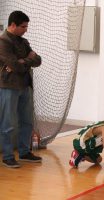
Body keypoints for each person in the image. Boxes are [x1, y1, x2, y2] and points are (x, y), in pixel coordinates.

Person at [0, 11, 42, 168]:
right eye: (23, 26)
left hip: (24, 86)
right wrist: (27, 59)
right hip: (8, 87)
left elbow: (38, 60)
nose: (26, 29)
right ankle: (8, 156)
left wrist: (24, 60)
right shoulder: (3, 42)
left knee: (26, 121)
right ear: (12, 25)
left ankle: (24, 152)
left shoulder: (23, 41)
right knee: (7, 123)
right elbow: (15, 65)